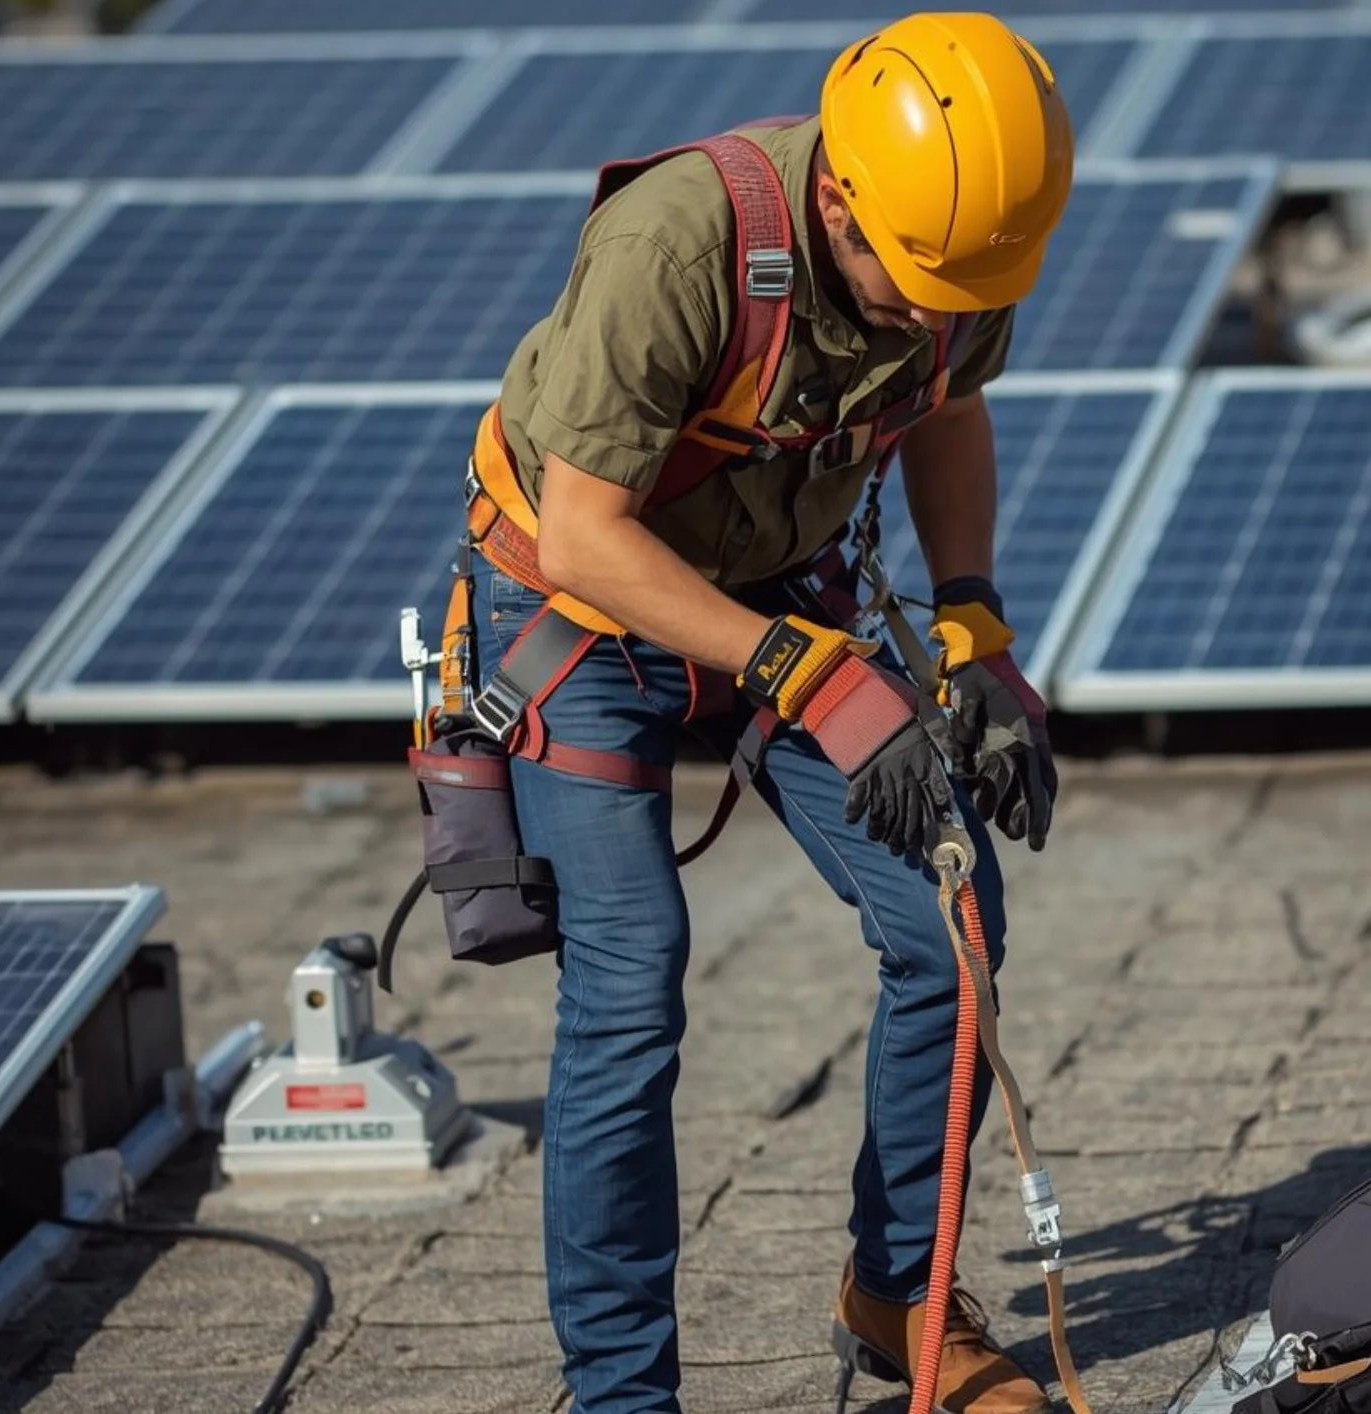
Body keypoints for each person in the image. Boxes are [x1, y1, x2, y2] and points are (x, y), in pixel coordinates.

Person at [460, 13, 1073, 1412]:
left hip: (784, 593)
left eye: (956, 293)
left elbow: (948, 408)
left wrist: (974, 628)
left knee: (953, 927)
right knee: (632, 987)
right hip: (581, 619)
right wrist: (813, 674)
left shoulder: (960, 240)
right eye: (904, 280)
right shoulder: (679, 248)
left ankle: (901, 1296)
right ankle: (623, 1393)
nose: (932, 313)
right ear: (842, 193)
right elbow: (586, 537)